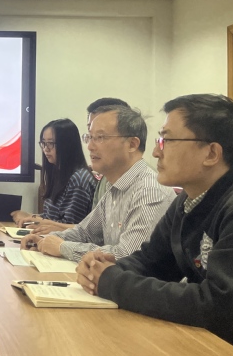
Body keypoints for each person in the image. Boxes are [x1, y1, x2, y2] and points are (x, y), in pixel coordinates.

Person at [77, 94, 233, 356]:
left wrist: (113, 282)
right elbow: (152, 261)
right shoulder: (189, 199)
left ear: (211, 154)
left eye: (167, 140)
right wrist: (104, 267)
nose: (156, 152)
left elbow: (218, 307)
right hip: (212, 346)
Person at [20, 105, 175, 262]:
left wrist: (62, 247)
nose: (90, 146)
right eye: (89, 137)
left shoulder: (149, 190)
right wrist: (45, 239)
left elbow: (128, 255)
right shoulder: (113, 186)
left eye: (100, 138)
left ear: (132, 144)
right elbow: (85, 233)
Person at [10, 119, 95, 231]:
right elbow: (52, 218)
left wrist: (34, 219)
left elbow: (71, 228)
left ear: (67, 145)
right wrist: (30, 216)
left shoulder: (79, 179)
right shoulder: (58, 171)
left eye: (50, 143)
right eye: (43, 143)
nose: (45, 148)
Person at [85, 97, 130, 208]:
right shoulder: (106, 178)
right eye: (90, 134)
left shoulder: (146, 187)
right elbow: (93, 220)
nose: (90, 146)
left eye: (100, 136)